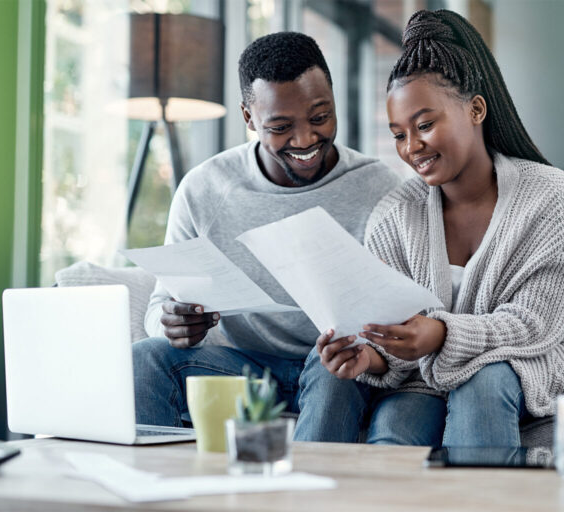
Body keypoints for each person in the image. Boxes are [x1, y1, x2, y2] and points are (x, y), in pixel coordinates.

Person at [316, 9, 564, 447]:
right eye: (399, 134)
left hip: (543, 359)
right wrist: (369, 357)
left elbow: (535, 324)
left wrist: (440, 333)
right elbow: (395, 344)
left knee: (484, 381)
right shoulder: (392, 216)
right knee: (395, 422)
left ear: (476, 108)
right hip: (431, 378)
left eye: (424, 125)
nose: (411, 148)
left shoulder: (555, 197)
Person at [132, 31, 402, 440]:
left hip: (340, 367)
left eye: (320, 117)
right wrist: (169, 322)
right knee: (146, 358)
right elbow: (159, 306)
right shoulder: (205, 188)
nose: (305, 140)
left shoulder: (379, 187)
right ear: (248, 118)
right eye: (280, 126)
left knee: (334, 369)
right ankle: (167, 495)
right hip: (244, 366)